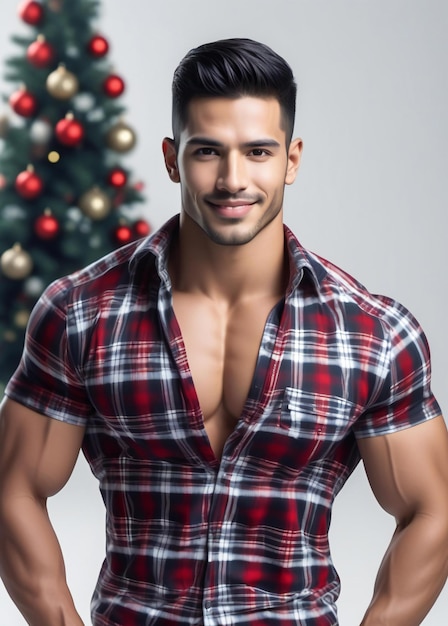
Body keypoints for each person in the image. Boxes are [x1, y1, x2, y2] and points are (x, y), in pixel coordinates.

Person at [0, 38, 447, 626]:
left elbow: (431, 510)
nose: (233, 179)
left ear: (291, 159)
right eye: (207, 151)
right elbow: (13, 490)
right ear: (171, 158)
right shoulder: (82, 313)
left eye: (258, 151)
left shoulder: (373, 332)